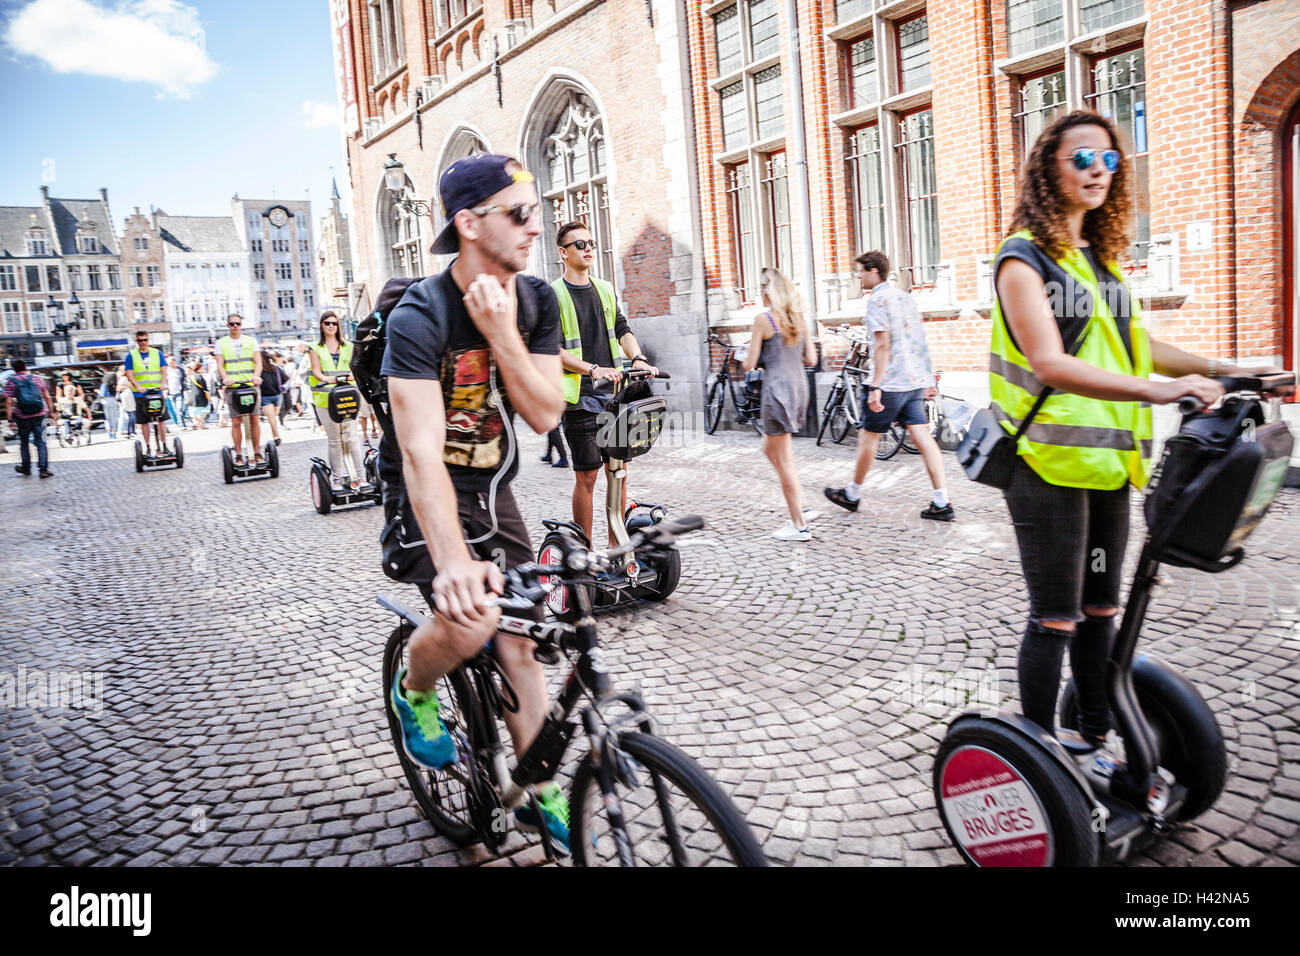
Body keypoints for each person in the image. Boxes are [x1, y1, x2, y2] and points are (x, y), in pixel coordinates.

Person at [983, 110, 1281, 752]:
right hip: (1046, 469)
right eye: (1082, 158)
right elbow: (1048, 362)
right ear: (1048, 168)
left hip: (1111, 469)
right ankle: (1039, 754)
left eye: (1109, 160)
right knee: (1055, 618)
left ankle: (1093, 735)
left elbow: (1139, 346)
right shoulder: (1022, 259)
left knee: (1101, 611)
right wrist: (1161, 390)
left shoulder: (1099, 260)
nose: (1098, 170)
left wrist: (1229, 371)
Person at [381, 154, 567, 848]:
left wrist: (501, 336)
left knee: (521, 637)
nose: (534, 229)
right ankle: (416, 687)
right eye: (519, 214)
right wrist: (455, 565)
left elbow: (546, 414)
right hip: (424, 492)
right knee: (470, 619)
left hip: (494, 488)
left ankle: (537, 787)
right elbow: (421, 452)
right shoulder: (419, 315)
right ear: (468, 222)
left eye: (535, 212)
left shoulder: (536, 301)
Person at [824, 250, 953, 521]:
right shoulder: (906, 298)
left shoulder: (877, 300)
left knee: (868, 437)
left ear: (874, 271)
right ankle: (942, 502)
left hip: (890, 383)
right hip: (912, 382)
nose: (858, 277)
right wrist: (928, 379)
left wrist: (876, 386)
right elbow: (919, 341)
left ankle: (852, 494)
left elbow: (882, 345)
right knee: (923, 438)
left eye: (860, 272)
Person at [552, 220, 658, 546]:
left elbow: (623, 329)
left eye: (590, 243)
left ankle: (617, 549)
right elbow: (550, 349)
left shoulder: (606, 288)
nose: (587, 249)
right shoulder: (553, 295)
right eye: (579, 244)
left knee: (619, 472)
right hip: (579, 397)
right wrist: (591, 369)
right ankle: (582, 554)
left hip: (615, 395)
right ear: (563, 252)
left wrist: (637, 357)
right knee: (587, 476)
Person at [742, 268, 818, 541]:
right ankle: (803, 506)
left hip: (776, 392)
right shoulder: (798, 319)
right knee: (769, 449)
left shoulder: (763, 320)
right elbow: (812, 359)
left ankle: (799, 525)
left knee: (785, 461)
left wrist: (755, 352)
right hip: (799, 388)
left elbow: (749, 364)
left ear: (766, 291)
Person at [307, 313, 363, 485]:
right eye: (327, 323)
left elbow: (355, 366)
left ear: (338, 326)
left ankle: (359, 477)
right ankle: (338, 479)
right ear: (322, 326)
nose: (331, 326)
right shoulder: (315, 347)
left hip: (348, 397)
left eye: (334, 323)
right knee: (335, 439)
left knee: (351, 437)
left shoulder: (348, 346)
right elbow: (316, 370)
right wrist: (325, 379)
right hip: (325, 399)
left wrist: (353, 376)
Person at [215, 313, 263, 465]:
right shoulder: (221, 343)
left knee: (254, 419)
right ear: (228, 326)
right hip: (233, 387)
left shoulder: (251, 341)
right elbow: (220, 365)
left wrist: (257, 375)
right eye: (232, 324)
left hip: (250, 385)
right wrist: (225, 378)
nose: (235, 326)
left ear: (241, 325)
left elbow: (258, 362)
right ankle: (239, 454)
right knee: (236, 421)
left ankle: (256, 452)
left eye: (237, 323)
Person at [123, 330, 170, 455]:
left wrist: (163, 384)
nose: (143, 342)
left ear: (148, 340)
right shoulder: (131, 355)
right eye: (140, 340)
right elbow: (129, 374)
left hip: (156, 392)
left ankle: (164, 446)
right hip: (140, 394)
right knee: (144, 422)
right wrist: (137, 386)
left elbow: (164, 370)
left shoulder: (157, 353)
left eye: (145, 340)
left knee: (161, 420)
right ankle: (148, 448)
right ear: (137, 341)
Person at [5, 360, 54, 477]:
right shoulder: (37, 378)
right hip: (40, 415)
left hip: (22, 417)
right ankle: (43, 470)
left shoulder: (11, 381)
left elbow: (8, 402)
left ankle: (26, 468)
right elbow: (47, 397)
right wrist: (51, 412)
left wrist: (10, 419)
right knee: (41, 442)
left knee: (24, 442)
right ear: (25, 367)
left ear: (14, 369)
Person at [258, 350, 285, 446]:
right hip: (278, 396)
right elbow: (285, 379)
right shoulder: (276, 368)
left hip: (265, 397)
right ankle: (276, 436)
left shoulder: (258, 371)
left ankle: (276, 436)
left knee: (272, 419)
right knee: (274, 417)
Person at [55, 372, 92, 436]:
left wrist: (79, 400)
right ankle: (68, 434)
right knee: (66, 419)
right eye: (63, 376)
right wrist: (61, 401)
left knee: (79, 415)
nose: (64, 377)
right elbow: (58, 394)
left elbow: (81, 393)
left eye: (66, 376)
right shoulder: (60, 384)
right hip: (65, 401)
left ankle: (78, 432)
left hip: (76, 401)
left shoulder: (75, 383)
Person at [187, 359, 209, 429]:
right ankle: (199, 423)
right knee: (205, 411)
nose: (202, 369)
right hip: (200, 396)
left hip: (191, 396)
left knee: (194, 411)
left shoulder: (190, 376)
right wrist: (209, 398)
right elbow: (205, 389)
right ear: (198, 368)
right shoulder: (200, 376)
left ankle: (198, 423)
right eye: (201, 368)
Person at [115, 367, 136, 438]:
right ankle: (130, 431)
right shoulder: (123, 378)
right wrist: (127, 385)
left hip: (130, 397)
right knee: (130, 415)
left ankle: (131, 431)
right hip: (126, 398)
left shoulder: (129, 377)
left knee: (130, 415)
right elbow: (118, 388)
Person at [98, 370, 119, 440]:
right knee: (114, 418)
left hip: (105, 401)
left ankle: (109, 433)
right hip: (113, 400)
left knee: (107, 418)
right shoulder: (115, 384)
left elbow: (101, 394)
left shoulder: (104, 384)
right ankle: (114, 433)